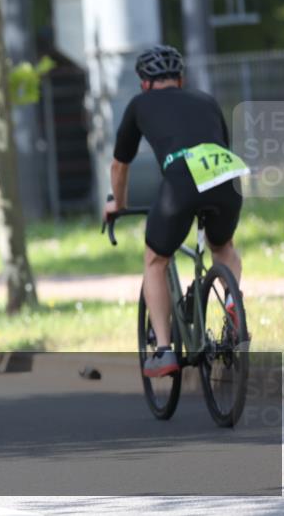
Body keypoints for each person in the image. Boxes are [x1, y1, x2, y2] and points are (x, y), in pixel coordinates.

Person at [103, 45, 248, 378]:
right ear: (180, 79)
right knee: (223, 247)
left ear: (144, 83)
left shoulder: (139, 104)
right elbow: (219, 145)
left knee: (156, 260)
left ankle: (165, 351)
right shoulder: (206, 100)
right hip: (227, 174)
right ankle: (232, 303)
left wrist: (118, 203)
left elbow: (119, 165)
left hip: (182, 178)